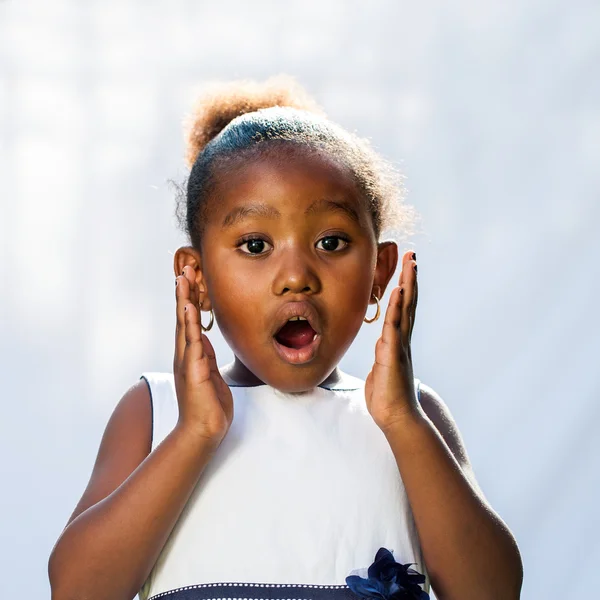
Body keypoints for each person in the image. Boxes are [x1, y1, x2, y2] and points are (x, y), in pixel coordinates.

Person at [48, 76, 523, 600]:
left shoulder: (409, 417)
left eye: (331, 241)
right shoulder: (155, 413)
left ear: (379, 273)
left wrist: (402, 420)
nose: (296, 273)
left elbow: (493, 591)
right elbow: (76, 590)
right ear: (198, 279)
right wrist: (195, 434)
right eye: (255, 244)